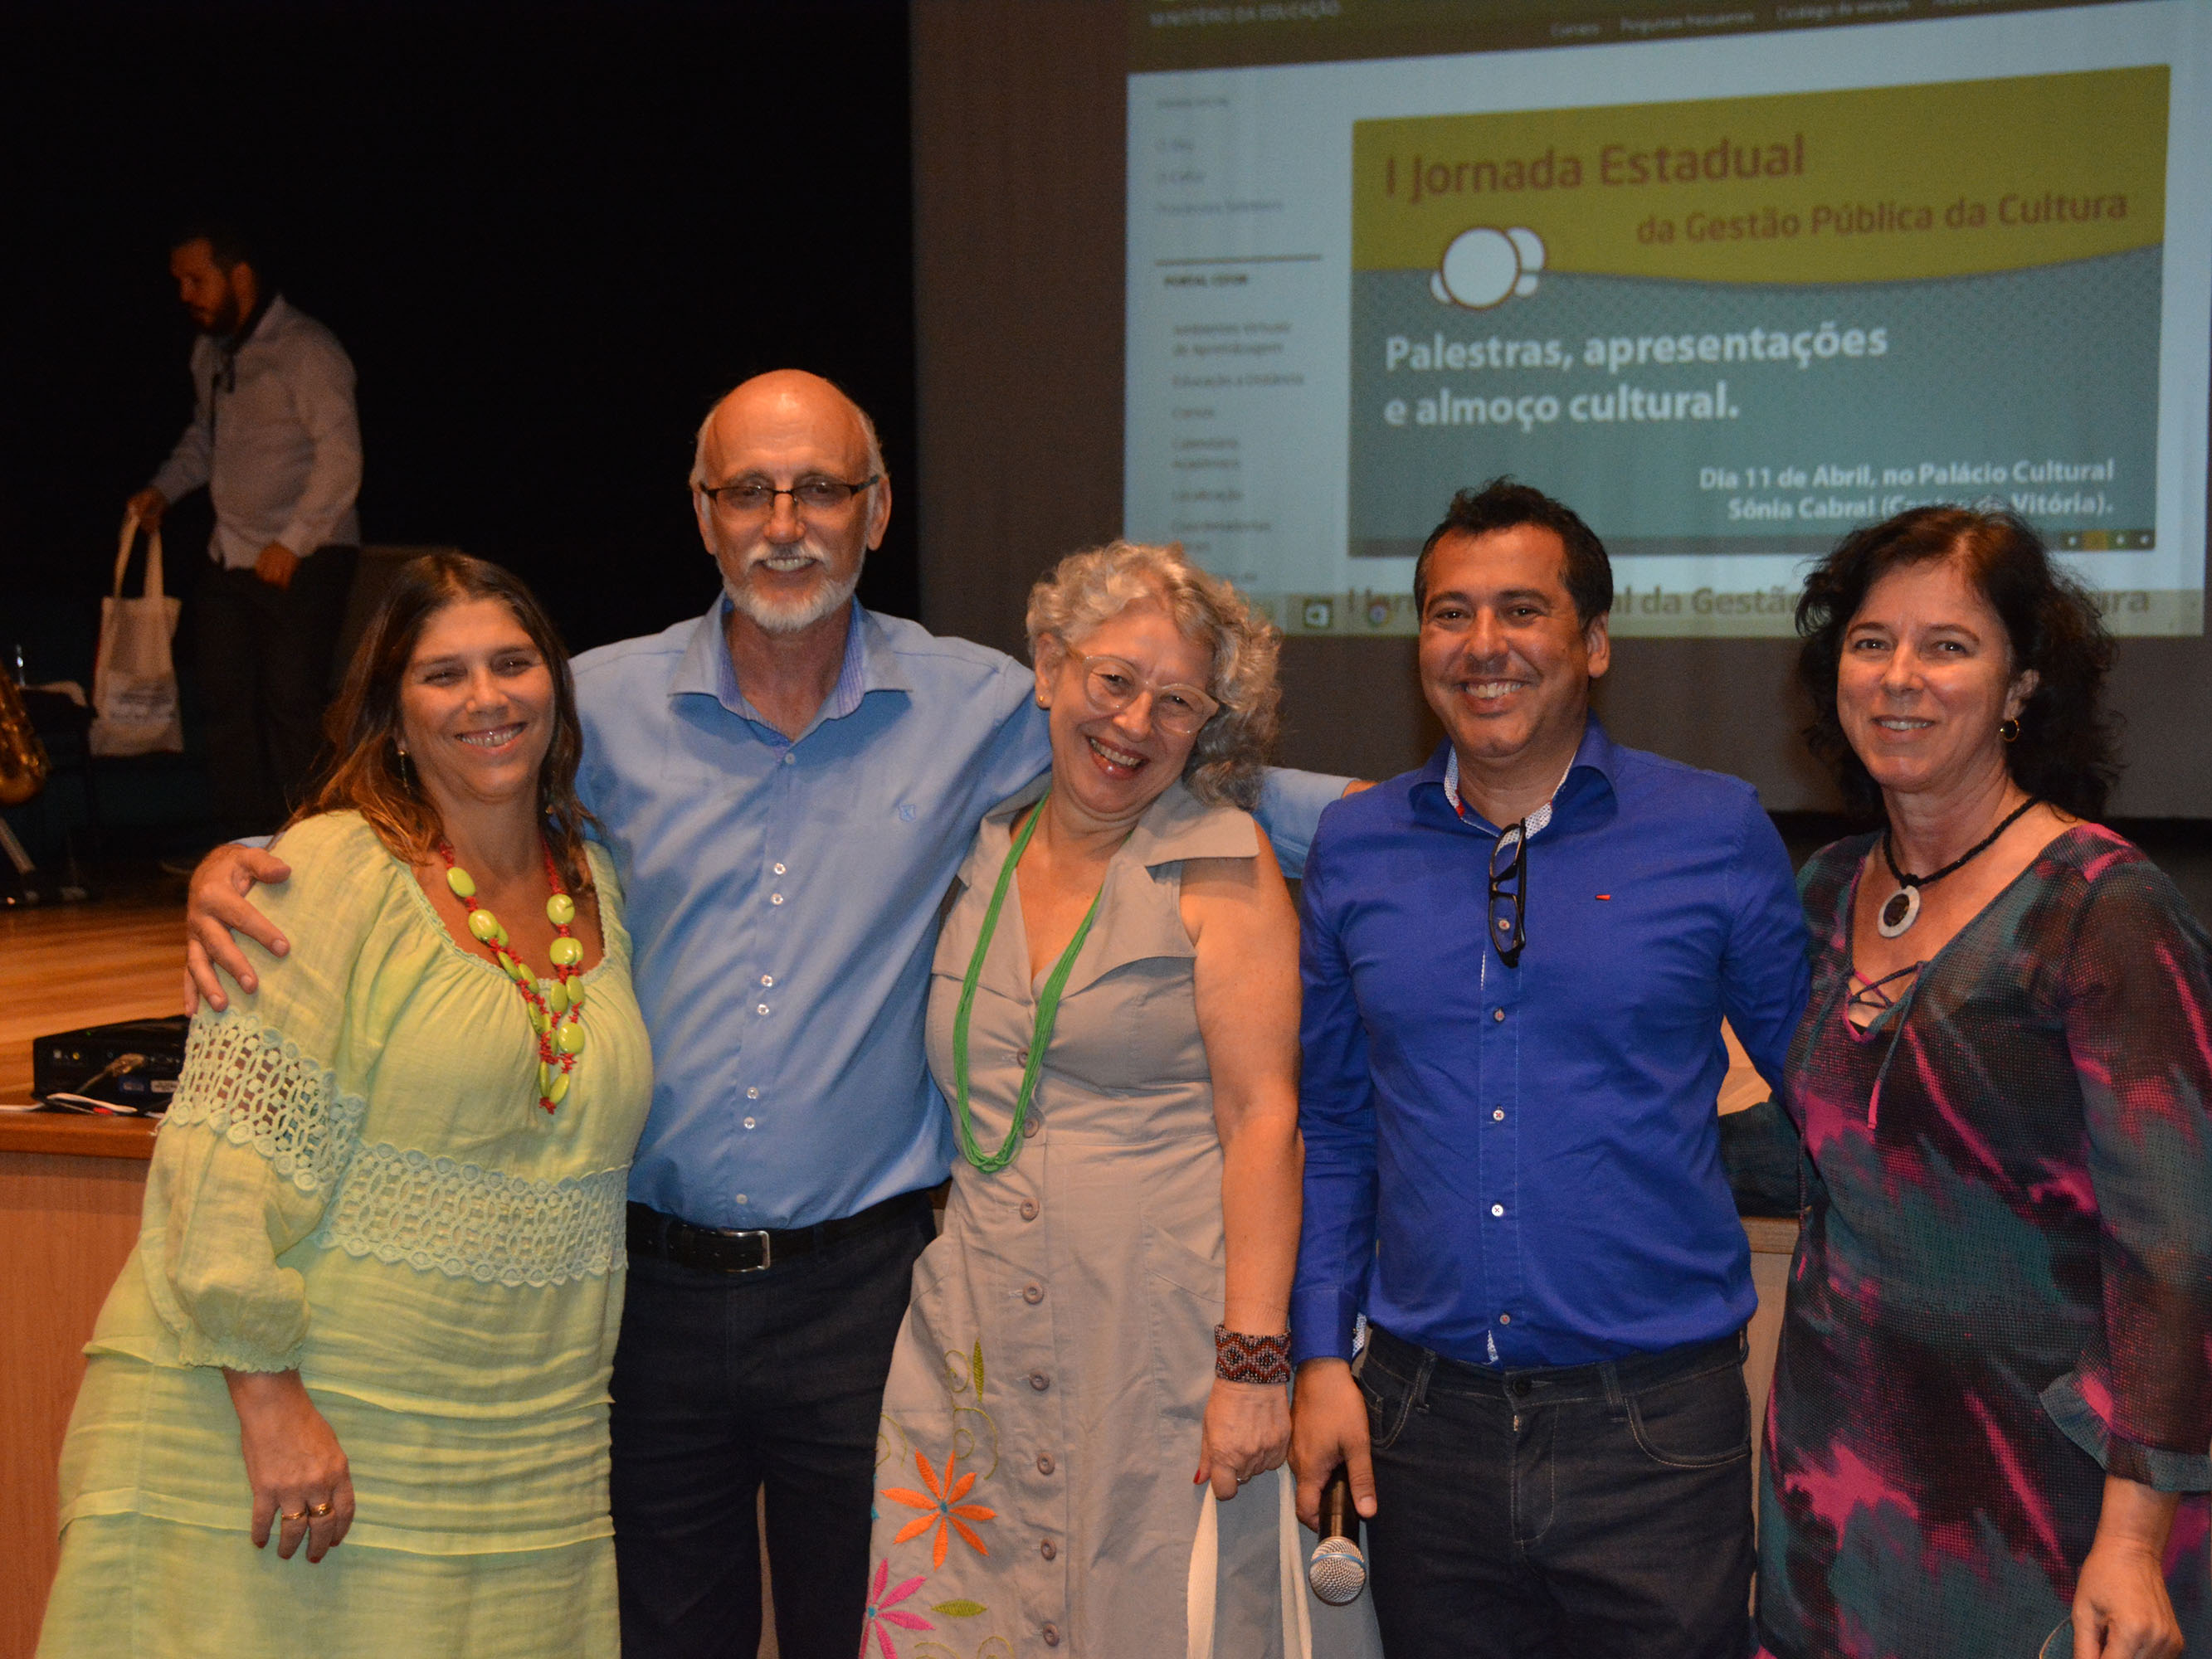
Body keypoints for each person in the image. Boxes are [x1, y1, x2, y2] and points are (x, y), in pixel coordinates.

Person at [183, 370, 1351, 1658]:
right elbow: (442, 794)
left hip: (867, 1301)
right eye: (750, 492)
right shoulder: (594, 705)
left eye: (820, 491)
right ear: (704, 514)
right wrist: (250, 858)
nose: (784, 524)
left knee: (873, 1630)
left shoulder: (981, 705)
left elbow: (1190, 765)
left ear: (877, 511)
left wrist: (1425, 813)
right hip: (646, 1293)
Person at [41, 554, 654, 1657]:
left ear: (556, 690)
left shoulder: (594, 879)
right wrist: (271, 1399)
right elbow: (222, 1161)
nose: (485, 698)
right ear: (392, 714)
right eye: (443, 674)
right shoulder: (330, 872)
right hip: (301, 1430)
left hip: (516, 1451)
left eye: (512, 663)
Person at [1287, 479, 1812, 1657]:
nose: (1484, 645)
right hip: (1420, 1430)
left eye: (1522, 610)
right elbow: (1340, 1127)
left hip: (1654, 1432)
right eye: (1450, 613)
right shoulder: (1356, 847)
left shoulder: (1715, 831)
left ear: (1595, 641)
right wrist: (1319, 1354)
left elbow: (1823, 1098)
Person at [1719, 506, 2212, 1659]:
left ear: (2021, 685)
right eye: (1871, 641)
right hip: (1833, 1488)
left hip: (2040, 1503)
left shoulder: (2103, 908)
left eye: (1948, 645)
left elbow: (2169, 1258)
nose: (1900, 676)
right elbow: (1824, 1152)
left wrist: (2133, 1537)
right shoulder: (1825, 889)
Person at [867, 541, 1309, 1657]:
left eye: (1178, 702)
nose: (1134, 723)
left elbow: (1265, 1121)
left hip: (1161, 1343)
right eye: (1114, 680)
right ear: (1051, 664)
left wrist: (1254, 1364)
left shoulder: (1224, 862)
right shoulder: (975, 853)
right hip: (975, 1334)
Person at [129, 222, 363, 841]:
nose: (185, 294)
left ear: (240, 276)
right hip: (231, 552)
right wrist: (163, 490)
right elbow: (206, 440)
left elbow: (342, 457)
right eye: (179, 282)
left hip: (306, 556)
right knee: (224, 705)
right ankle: (240, 846)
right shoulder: (212, 352)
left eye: (195, 280)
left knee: (292, 706)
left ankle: (311, 849)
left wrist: (293, 541)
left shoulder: (306, 348)